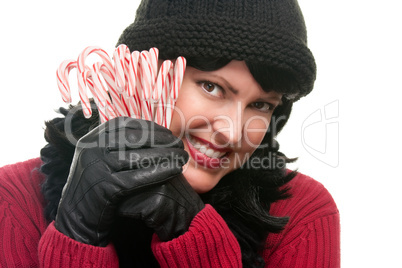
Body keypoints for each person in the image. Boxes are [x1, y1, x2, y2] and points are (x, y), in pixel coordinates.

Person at [0, 0, 340, 267]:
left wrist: (192, 233)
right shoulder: (14, 199)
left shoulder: (302, 215)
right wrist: (79, 234)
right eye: (211, 87)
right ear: (142, 74)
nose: (232, 132)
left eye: (262, 106)